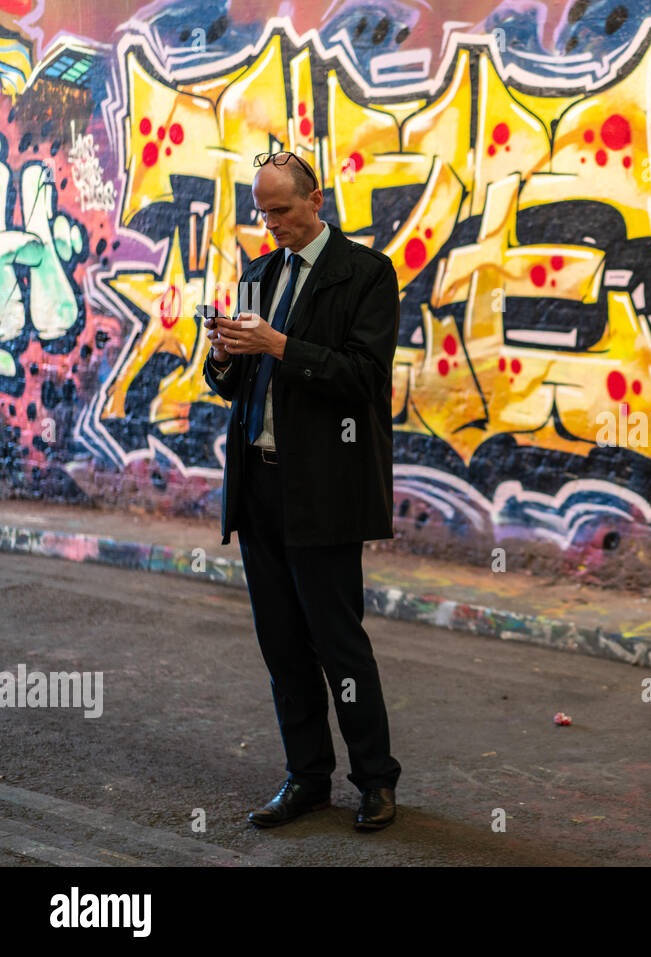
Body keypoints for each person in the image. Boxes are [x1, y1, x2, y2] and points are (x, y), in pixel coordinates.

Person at [201, 150, 402, 830]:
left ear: (317, 200)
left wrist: (281, 345)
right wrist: (224, 355)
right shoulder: (257, 274)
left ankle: (376, 781)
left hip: (324, 489)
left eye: (282, 210)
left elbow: (365, 378)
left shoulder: (366, 274)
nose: (272, 224)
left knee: (339, 645)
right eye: (262, 213)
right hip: (258, 486)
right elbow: (230, 385)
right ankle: (306, 777)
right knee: (282, 646)